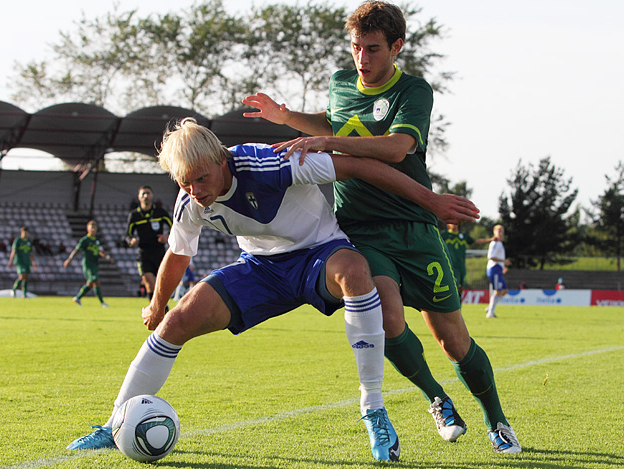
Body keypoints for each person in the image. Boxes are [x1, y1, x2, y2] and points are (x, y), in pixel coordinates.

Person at [65, 118, 477, 461]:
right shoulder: (189, 200)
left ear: (221, 159)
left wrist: (431, 201)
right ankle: (112, 424)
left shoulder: (272, 163)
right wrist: (157, 305)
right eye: (185, 183)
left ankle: (373, 409)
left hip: (319, 252)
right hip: (260, 268)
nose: (196, 192)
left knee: (355, 270)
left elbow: (356, 167)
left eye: (201, 179)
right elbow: (177, 253)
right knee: (177, 320)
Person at [242, 0, 521, 454]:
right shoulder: (339, 83)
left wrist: (326, 143)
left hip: (413, 226)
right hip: (357, 230)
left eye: (373, 49)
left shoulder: (414, 91)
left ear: (397, 47)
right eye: (356, 48)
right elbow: (331, 121)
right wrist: (287, 117)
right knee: (386, 318)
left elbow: (396, 149)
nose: (362, 59)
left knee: (453, 339)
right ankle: (438, 398)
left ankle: (497, 420)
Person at [125, 185, 172, 301]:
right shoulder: (134, 215)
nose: (146, 196)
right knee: (150, 284)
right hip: (143, 253)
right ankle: (156, 313)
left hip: (159, 252)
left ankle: (160, 309)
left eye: (148, 193)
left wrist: (167, 237)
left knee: (160, 285)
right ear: (139, 197)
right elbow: (127, 235)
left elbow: (175, 227)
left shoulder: (160, 212)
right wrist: (131, 241)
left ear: (152, 195)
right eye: (143, 194)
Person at [64, 220, 114, 307]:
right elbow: (76, 250)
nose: (93, 229)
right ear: (88, 229)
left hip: (95, 264)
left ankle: (78, 298)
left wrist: (108, 257)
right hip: (88, 265)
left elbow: (101, 251)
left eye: (94, 227)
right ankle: (102, 303)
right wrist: (69, 259)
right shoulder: (85, 240)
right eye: (91, 227)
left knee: (91, 284)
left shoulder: (96, 241)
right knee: (95, 282)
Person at [441, 223, 495, 297]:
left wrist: (490, 239)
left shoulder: (463, 236)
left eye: (455, 222)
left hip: (462, 267)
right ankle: (452, 306)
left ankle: (459, 306)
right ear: (448, 224)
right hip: (451, 266)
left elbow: (476, 241)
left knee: (461, 288)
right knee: (454, 287)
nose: (454, 224)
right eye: (452, 222)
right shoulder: (445, 235)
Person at [486, 225, 510, 319]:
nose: (501, 233)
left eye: (502, 231)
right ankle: (490, 313)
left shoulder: (500, 243)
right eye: (499, 231)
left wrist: (502, 266)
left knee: (504, 290)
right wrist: (503, 262)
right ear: (494, 232)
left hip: (498, 269)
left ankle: (490, 307)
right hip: (494, 269)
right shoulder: (494, 243)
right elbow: (490, 257)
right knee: (497, 290)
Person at [7, 226, 37, 298]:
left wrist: (33, 262)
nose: (25, 234)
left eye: (26, 232)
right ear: (21, 232)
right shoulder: (18, 241)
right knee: (22, 276)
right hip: (20, 261)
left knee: (26, 277)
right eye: (24, 232)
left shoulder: (28, 242)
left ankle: (24, 293)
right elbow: (13, 251)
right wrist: (11, 261)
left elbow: (30, 253)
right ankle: (14, 289)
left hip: (27, 261)